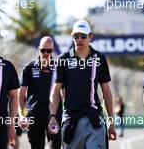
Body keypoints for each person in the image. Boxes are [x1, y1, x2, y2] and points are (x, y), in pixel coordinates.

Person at [48, 19, 116, 149]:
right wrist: (52, 116)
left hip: (94, 118)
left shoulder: (99, 58)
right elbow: (55, 91)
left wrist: (111, 123)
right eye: (76, 36)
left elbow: (106, 92)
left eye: (83, 36)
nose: (79, 39)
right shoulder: (63, 59)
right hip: (71, 119)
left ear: (90, 37)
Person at [18, 36, 62, 149]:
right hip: (34, 116)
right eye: (43, 50)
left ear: (53, 50)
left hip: (54, 116)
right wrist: (21, 115)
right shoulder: (29, 68)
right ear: (38, 49)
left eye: (49, 50)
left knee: (55, 146)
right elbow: (21, 93)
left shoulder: (59, 68)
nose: (46, 53)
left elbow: (64, 92)